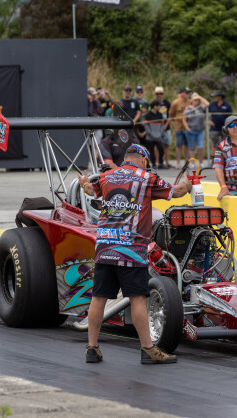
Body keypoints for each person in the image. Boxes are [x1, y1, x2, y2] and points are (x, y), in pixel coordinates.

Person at [78, 144, 192, 365]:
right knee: (137, 298)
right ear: (143, 160)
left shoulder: (107, 176)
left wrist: (83, 183)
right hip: (131, 248)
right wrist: (188, 184)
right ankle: (148, 349)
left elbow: (90, 190)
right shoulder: (147, 178)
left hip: (105, 245)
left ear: (126, 158)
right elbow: (176, 192)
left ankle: (92, 348)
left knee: (98, 298)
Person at [182, 92, 210, 163]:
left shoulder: (201, 107)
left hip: (200, 131)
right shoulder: (188, 108)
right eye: (194, 100)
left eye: (197, 100)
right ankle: (192, 163)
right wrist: (187, 127)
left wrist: (199, 97)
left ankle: (201, 163)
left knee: (200, 147)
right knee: (191, 147)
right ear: (191, 100)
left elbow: (207, 104)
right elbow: (184, 119)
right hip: (190, 130)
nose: (196, 101)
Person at [169, 87, 191, 168]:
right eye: (187, 93)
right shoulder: (176, 102)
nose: (188, 94)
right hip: (178, 127)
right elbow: (171, 113)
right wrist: (175, 121)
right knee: (179, 145)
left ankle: (186, 163)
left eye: (188, 93)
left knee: (187, 145)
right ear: (182, 94)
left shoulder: (190, 102)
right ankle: (178, 163)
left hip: (188, 127)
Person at [208, 91, 233, 158]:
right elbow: (205, 113)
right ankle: (214, 158)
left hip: (224, 127)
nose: (214, 97)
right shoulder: (212, 104)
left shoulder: (227, 105)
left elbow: (230, 116)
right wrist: (208, 121)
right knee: (214, 143)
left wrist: (228, 125)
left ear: (220, 96)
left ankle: (226, 157)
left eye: (215, 96)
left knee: (226, 143)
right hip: (214, 127)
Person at [143, 100, 166, 169]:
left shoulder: (160, 114)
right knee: (151, 151)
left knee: (161, 149)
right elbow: (146, 125)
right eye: (159, 106)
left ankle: (161, 163)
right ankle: (153, 164)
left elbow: (162, 125)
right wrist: (150, 133)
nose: (160, 107)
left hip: (158, 136)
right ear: (155, 106)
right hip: (150, 137)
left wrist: (160, 133)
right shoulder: (148, 115)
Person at [155, 86, 173, 169]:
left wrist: (166, 125)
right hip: (157, 128)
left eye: (161, 93)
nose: (159, 95)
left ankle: (167, 162)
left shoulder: (167, 103)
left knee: (166, 145)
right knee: (157, 145)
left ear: (163, 94)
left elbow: (170, 115)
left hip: (166, 127)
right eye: (157, 94)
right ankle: (157, 162)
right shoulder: (154, 103)